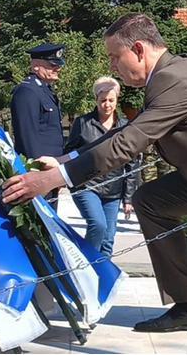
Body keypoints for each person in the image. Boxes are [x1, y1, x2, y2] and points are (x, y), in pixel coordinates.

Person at [1, 13, 187, 334]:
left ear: (139, 50)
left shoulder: (174, 80)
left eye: (115, 57)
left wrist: (54, 180)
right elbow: (126, 133)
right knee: (152, 200)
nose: (112, 66)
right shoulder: (168, 75)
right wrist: (65, 159)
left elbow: (128, 142)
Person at [64, 76, 138, 255]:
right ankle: (85, 265)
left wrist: (129, 197)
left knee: (108, 238)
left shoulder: (124, 127)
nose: (107, 104)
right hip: (87, 186)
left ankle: (103, 278)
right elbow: (69, 152)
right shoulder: (82, 123)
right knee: (98, 225)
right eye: (103, 100)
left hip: (113, 188)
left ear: (117, 100)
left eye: (111, 100)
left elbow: (132, 163)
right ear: (96, 100)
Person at [10, 43, 66, 210]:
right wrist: (37, 171)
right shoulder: (27, 91)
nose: (57, 68)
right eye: (51, 65)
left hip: (50, 170)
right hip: (38, 172)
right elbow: (28, 136)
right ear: (35, 65)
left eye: (58, 65)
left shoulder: (44, 91)